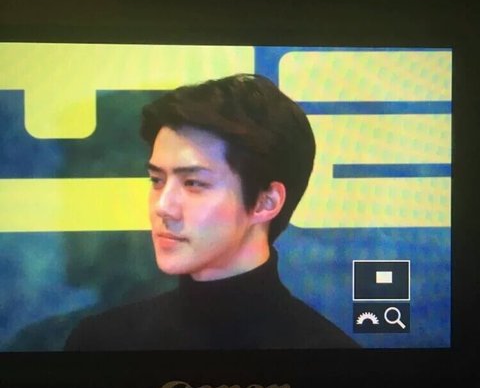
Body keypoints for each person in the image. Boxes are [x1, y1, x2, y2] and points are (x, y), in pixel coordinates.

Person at [64, 74, 359, 350]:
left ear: (266, 202)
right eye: (156, 180)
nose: (163, 207)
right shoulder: (102, 342)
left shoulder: (332, 359)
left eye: (193, 183)